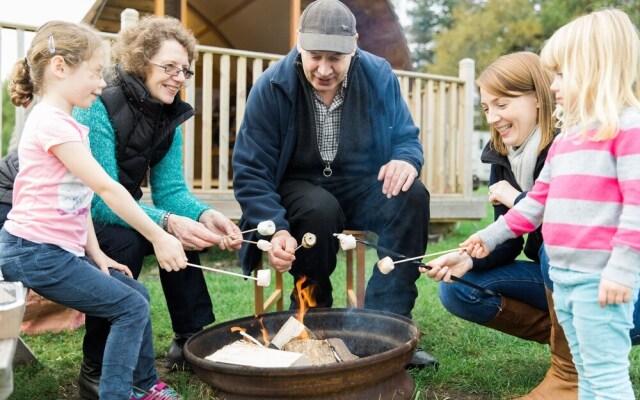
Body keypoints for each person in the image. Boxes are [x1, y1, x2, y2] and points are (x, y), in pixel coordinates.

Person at [232, 0, 434, 368]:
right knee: (317, 208)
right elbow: (251, 170)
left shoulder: (379, 75)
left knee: (412, 195)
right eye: (314, 56)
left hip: (360, 182)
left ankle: (386, 326)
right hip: (299, 186)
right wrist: (274, 226)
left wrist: (406, 159)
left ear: (354, 45)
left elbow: (405, 137)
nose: (324, 69)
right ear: (299, 43)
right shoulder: (271, 86)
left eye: (335, 58)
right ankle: (313, 316)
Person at [0, 20, 187, 399]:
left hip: (52, 252)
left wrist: (97, 253)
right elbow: (106, 188)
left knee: (136, 294)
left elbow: (79, 198)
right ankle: (116, 393)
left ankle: (146, 385)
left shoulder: (67, 124)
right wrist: (159, 236)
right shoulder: (53, 124)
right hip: (34, 253)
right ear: (60, 68)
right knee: (129, 308)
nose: (102, 84)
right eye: (95, 73)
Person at [460, 9, 640, 399]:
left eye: (561, 74)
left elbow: (637, 208)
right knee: (587, 375)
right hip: (565, 280)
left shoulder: (628, 130)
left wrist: (621, 271)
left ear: (596, 68)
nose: (552, 84)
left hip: (601, 282)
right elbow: (535, 204)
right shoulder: (567, 140)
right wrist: (486, 239)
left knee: (606, 377)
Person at [72, 15, 243, 398]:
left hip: (112, 206)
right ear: (139, 60)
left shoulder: (170, 113)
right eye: (168, 67)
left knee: (177, 230)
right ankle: (96, 366)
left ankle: (191, 341)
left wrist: (202, 215)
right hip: (70, 213)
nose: (178, 77)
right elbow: (99, 198)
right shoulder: (98, 102)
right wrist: (167, 223)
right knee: (124, 243)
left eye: (184, 70)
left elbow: (171, 192)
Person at [421, 52, 579, 399]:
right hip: (554, 281)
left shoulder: (571, 146)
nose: (493, 118)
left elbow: (570, 225)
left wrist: (513, 197)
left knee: (556, 242)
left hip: (610, 286)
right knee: (457, 287)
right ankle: (574, 346)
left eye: (502, 104)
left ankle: (570, 376)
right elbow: (507, 241)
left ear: (538, 98)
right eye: (486, 108)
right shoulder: (502, 154)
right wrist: (470, 258)